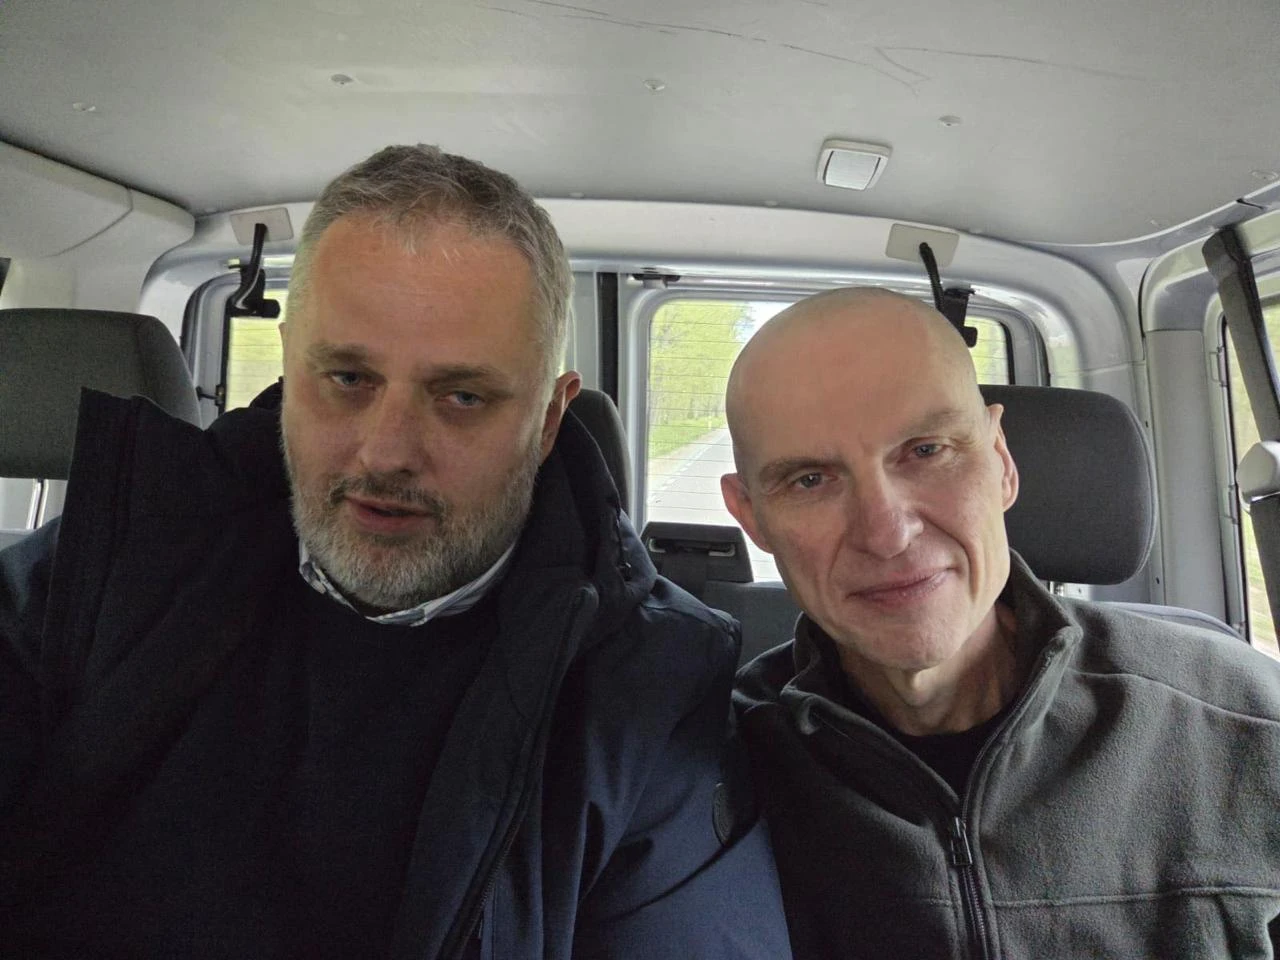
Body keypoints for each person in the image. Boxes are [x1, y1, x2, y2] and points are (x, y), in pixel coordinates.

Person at [0, 145, 791, 959]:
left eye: (462, 397)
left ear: (549, 420)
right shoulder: (108, 565)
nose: (386, 452)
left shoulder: (646, 694)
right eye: (347, 379)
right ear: (290, 366)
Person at [720, 287, 1280, 959]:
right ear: (751, 516)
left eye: (926, 450)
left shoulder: (1248, 723)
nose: (886, 533)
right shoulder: (707, 777)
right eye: (810, 480)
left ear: (1001, 461)